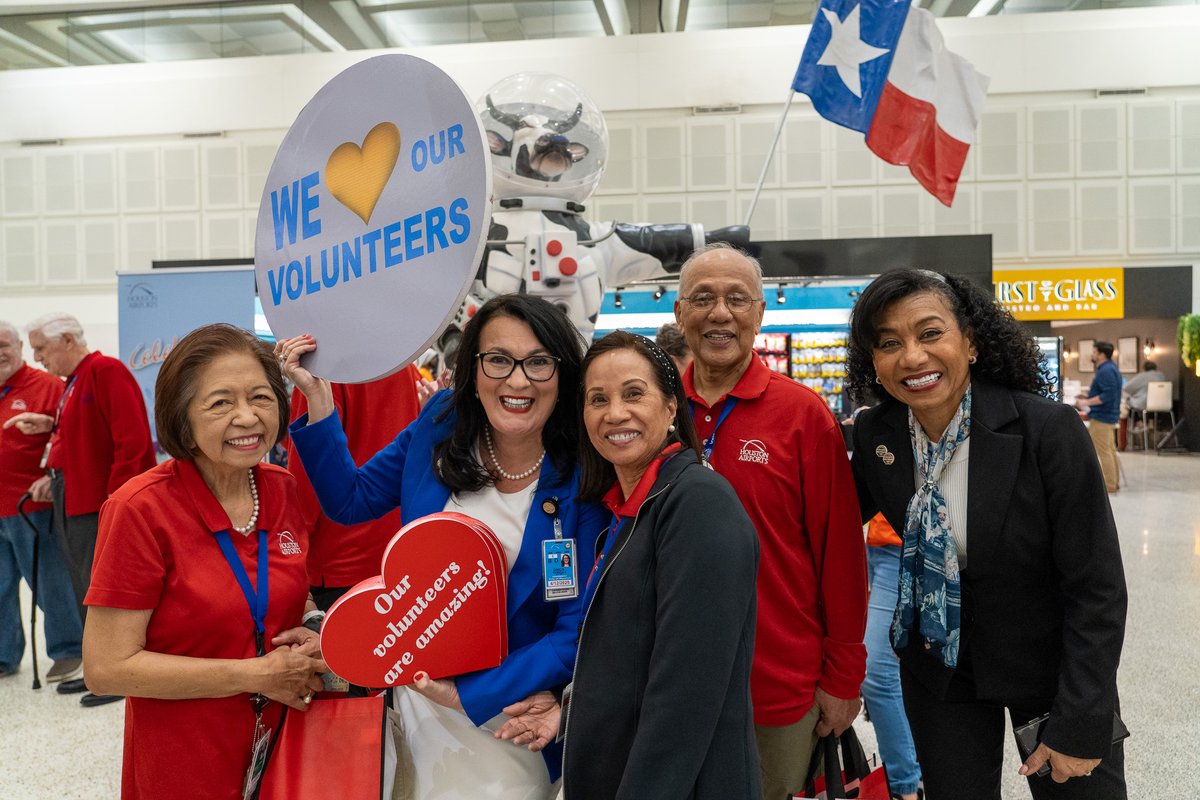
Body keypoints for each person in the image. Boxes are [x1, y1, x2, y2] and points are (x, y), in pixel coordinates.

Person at [281, 293, 606, 799]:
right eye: (498, 359)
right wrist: (320, 402)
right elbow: (351, 500)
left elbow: (573, 634)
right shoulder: (441, 421)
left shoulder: (584, 473)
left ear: (564, 375)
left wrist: (467, 694)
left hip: (514, 713)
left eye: (538, 362)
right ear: (472, 368)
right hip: (417, 701)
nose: (517, 381)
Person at [846, 269, 1127, 800]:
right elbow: (822, 521)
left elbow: (1097, 587)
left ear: (970, 341)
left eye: (930, 333)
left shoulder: (1047, 431)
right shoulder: (879, 435)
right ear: (873, 363)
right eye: (889, 343)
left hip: (1050, 667)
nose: (912, 357)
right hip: (939, 668)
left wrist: (1082, 717)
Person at [81, 323, 326, 800]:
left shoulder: (281, 487)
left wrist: (314, 625)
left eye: (260, 397)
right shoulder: (140, 509)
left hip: (289, 749)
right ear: (182, 418)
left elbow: (289, 589)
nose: (247, 417)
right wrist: (255, 674)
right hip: (184, 759)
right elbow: (106, 667)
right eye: (220, 403)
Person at [672, 243, 867, 800]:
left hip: (776, 684)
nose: (720, 313)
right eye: (703, 298)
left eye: (737, 299)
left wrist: (843, 675)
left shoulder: (803, 416)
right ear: (680, 313)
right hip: (668, 683)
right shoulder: (651, 410)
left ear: (760, 313)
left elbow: (841, 558)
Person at [553, 330, 760, 798]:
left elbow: (685, 696)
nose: (615, 413)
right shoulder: (628, 509)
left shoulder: (698, 503)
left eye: (633, 394)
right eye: (597, 399)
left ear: (671, 408)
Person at [5, 312, 156, 706]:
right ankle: (99, 672)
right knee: (85, 588)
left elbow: (132, 443)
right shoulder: (74, 382)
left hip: (98, 503)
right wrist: (48, 428)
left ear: (68, 340)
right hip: (74, 498)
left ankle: (116, 675)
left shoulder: (105, 371)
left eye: (41, 348)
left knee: (102, 593)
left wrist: (116, 504)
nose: (37, 358)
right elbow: (82, 436)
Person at [284, 365, 423, 612]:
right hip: (397, 552)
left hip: (337, 561)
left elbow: (306, 480)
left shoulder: (323, 376)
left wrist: (286, 552)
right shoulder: (407, 367)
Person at [0, 321, 83, 684]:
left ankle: (68, 650)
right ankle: (4, 655)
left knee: (50, 581)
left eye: (4, 344)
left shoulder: (48, 385)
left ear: (19, 347)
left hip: (32, 508)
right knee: (0, 585)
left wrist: (49, 476)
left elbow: (71, 436)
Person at [862, 513, 922, 800]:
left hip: (903, 544)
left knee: (877, 672)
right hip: (876, 539)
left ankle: (905, 787)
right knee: (894, 670)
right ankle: (913, 775)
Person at [1075, 341, 1122, 492]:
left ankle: (1109, 485)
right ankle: (1113, 482)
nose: (1092, 355)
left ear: (1101, 354)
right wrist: (1088, 395)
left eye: (1094, 352)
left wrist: (1086, 401)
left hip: (1102, 417)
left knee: (1104, 451)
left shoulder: (1106, 371)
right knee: (1109, 450)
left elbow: (1107, 395)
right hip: (1108, 416)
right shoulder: (1110, 368)